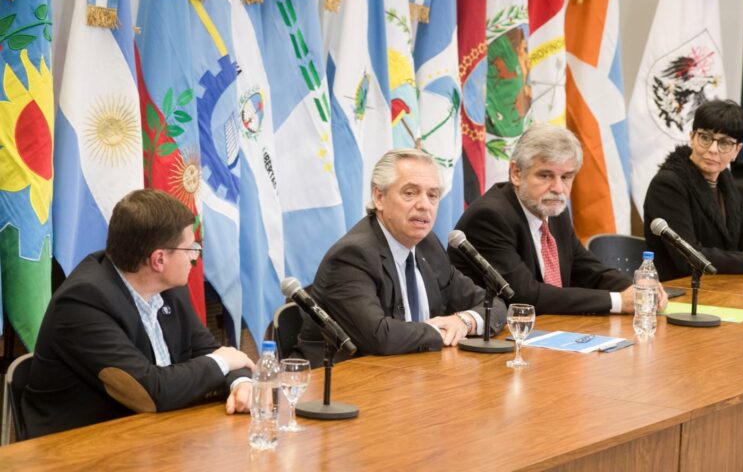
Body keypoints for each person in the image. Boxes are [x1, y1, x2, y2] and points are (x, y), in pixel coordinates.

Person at [22, 190, 255, 438]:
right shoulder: (82, 303)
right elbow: (150, 393)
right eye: (190, 248)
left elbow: (211, 352)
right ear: (158, 260)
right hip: (79, 445)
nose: (194, 257)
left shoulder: (170, 287)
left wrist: (241, 382)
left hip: (153, 437)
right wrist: (225, 362)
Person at [295, 149, 506, 366]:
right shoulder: (352, 256)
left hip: (415, 371)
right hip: (346, 377)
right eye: (410, 193)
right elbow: (380, 337)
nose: (424, 205)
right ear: (379, 197)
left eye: (432, 196)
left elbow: (493, 304)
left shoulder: (428, 245)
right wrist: (441, 331)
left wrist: (464, 321)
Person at [452, 124, 666, 315]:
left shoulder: (554, 211)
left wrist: (637, 288)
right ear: (516, 173)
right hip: (493, 337)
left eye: (566, 177)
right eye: (545, 175)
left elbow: (587, 269)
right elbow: (524, 296)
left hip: (547, 331)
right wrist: (618, 301)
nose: (558, 188)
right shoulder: (489, 218)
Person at [643, 100, 743, 281]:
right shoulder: (668, 184)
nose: (712, 149)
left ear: (737, 150)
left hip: (722, 285)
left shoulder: (724, 179)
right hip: (680, 289)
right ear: (692, 137)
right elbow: (687, 257)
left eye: (724, 143)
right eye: (705, 138)